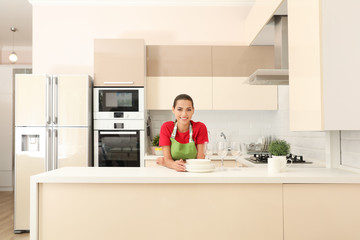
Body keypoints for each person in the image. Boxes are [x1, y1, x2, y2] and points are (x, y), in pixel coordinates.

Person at [156, 94, 208, 172]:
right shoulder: (167, 127)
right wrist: (172, 164)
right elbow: (167, 159)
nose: (184, 114)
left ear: (193, 110)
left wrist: (166, 163)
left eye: (188, 109)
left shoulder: (200, 127)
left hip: (194, 173)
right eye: (179, 109)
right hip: (172, 173)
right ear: (173, 110)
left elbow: (200, 159)